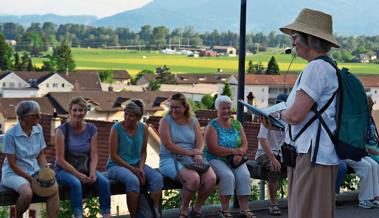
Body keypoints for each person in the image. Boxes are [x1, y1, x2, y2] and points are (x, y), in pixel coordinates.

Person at [265, 8, 341, 218]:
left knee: (306, 211)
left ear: (310, 39)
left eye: (295, 36)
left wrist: (277, 116)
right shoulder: (327, 67)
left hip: (312, 155)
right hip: (315, 153)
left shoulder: (316, 69)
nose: (293, 41)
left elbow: (296, 115)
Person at [159, 93, 217, 218]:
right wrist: (190, 152)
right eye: (172, 107)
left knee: (211, 179)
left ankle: (197, 208)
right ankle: (184, 209)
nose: (174, 110)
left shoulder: (193, 121)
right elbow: (168, 144)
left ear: (185, 107)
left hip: (192, 156)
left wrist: (198, 152)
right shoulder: (165, 121)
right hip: (170, 158)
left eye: (177, 107)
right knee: (193, 179)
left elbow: (200, 141)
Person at [55, 97, 111, 218]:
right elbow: (60, 159)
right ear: (70, 111)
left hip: (84, 167)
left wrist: (92, 172)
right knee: (76, 183)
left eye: (80, 110)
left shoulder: (91, 129)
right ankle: (78, 215)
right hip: (64, 170)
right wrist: (78, 175)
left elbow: (94, 154)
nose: (77, 113)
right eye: (74, 110)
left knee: (104, 182)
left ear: (85, 112)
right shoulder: (61, 131)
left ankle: (106, 213)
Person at [1, 100, 59, 218]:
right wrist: (32, 179)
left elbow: (40, 154)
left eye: (39, 114)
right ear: (24, 117)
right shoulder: (10, 135)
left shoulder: (38, 129)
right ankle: (17, 216)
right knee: (27, 193)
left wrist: (45, 171)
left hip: (34, 170)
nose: (40, 117)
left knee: (53, 190)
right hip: (13, 173)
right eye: (36, 115)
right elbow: (12, 165)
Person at [107, 99, 163, 218]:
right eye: (126, 114)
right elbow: (113, 155)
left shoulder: (144, 129)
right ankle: (134, 216)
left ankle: (153, 211)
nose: (127, 117)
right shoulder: (116, 128)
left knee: (157, 178)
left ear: (137, 117)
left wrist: (141, 169)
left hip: (137, 164)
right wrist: (134, 170)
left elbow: (143, 152)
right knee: (133, 180)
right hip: (116, 165)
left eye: (131, 115)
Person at [205, 95, 256, 218]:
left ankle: (244, 209)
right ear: (217, 109)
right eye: (223, 108)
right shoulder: (212, 126)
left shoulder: (237, 124)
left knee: (244, 175)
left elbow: (245, 144)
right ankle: (225, 210)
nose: (226, 111)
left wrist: (240, 153)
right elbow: (213, 148)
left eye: (228, 108)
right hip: (216, 158)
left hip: (236, 158)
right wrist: (234, 152)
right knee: (227, 176)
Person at [344, 95, 379, 209]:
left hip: (356, 151)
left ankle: (372, 197)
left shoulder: (360, 119)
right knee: (366, 166)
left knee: (374, 165)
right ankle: (364, 199)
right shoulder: (350, 119)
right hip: (346, 151)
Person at [256, 93, 288, 216]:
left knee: (299, 167)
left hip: (282, 153)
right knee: (274, 167)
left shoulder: (289, 119)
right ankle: (273, 204)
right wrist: (273, 158)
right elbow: (262, 140)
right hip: (265, 153)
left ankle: (298, 199)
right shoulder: (267, 116)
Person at [366, 95, 379, 164]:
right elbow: (360, 144)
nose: (371, 109)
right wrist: (374, 152)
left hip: (375, 147)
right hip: (369, 150)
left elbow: (373, 134)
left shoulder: (370, 118)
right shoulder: (360, 122)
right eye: (369, 107)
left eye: (371, 107)